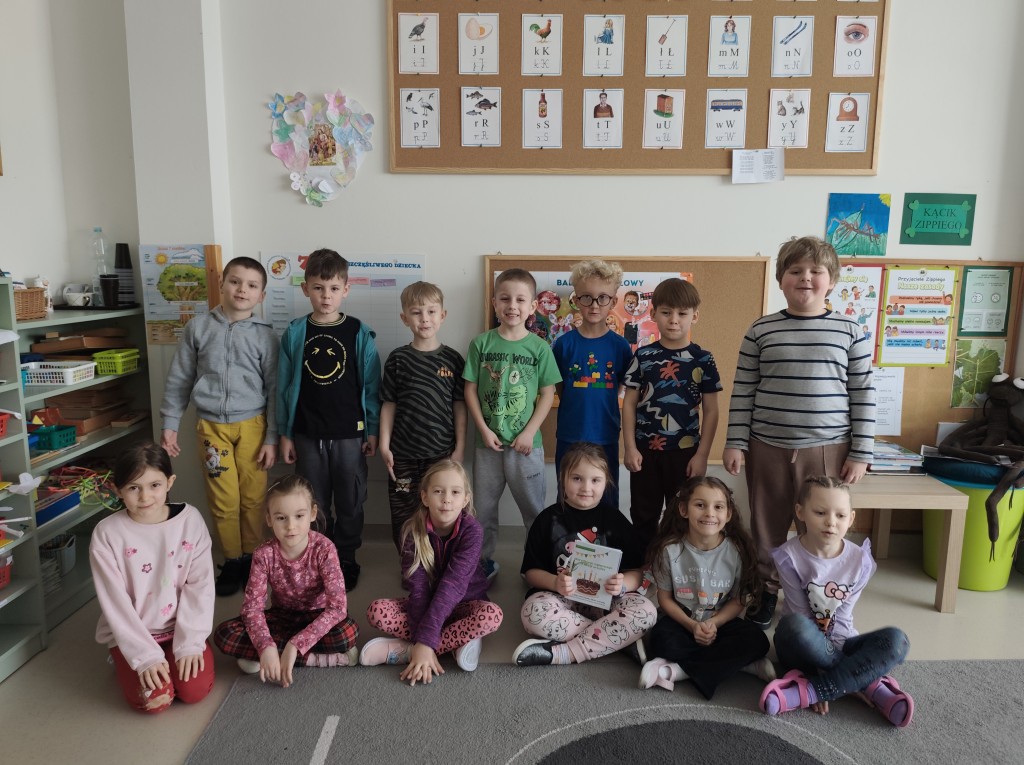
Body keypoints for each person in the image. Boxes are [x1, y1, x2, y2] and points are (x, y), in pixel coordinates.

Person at [723, 236, 875, 630]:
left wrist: (862, 451)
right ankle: (766, 589)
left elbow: (863, 392)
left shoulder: (850, 330)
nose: (805, 277)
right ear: (781, 280)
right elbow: (744, 390)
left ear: (831, 281)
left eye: (815, 271)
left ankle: (820, 592)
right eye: (795, 271)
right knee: (766, 523)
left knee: (822, 525)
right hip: (767, 445)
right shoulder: (761, 330)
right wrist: (735, 441)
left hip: (828, 448)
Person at [160, 256, 278, 596]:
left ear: (261, 296)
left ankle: (254, 559)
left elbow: (275, 390)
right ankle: (232, 560)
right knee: (223, 499)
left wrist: (272, 436)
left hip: (253, 426)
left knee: (253, 498)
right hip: (211, 428)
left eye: (252, 285)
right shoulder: (198, 328)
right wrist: (170, 422)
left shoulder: (266, 336)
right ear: (222, 283)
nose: (242, 290)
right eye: (235, 281)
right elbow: (180, 378)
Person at [760, 477, 914, 728]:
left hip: (840, 642)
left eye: (840, 516)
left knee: (898, 641)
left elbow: (842, 618)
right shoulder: (789, 557)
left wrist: (826, 678)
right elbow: (801, 615)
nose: (831, 522)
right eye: (820, 513)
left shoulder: (860, 560)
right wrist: (844, 669)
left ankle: (815, 690)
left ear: (851, 519)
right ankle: (867, 683)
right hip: (798, 644)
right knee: (795, 624)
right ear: (800, 512)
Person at [278, 248, 382, 590]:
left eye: (334, 288)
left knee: (351, 499)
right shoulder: (296, 332)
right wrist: (285, 433)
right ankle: (320, 557)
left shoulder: (358, 332)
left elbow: (371, 387)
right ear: (305, 288)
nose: (326, 296)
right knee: (313, 503)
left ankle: (346, 557)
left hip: (350, 435)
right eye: (319, 288)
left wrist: (372, 430)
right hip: (307, 434)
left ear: (345, 290)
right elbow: (283, 387)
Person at [89, 443, 215, 713]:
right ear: (117, 490)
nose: (145, 496)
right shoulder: (106, 534)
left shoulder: (190, 521)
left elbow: (200, 586)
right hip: (134, 633)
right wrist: (143, 657)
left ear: (170, 482)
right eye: (133, 488)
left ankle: (175, 654)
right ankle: (124, 658)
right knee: (155, 701)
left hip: (181, 627)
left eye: (155, 485)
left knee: (193, 691)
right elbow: (114, 602)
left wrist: (191, 644)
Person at [512, 443, 657, 667]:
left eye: (595, 480)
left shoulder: (615, 520)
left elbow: (637, 572)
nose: (586, 487)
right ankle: (617, 640)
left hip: (607, 600)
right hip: (561, 598)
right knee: (533, 614)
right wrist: (554, 582)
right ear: (562, 478)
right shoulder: (547, 519)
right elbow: (530, 572)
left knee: (647, 612)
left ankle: (564, 653)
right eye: (577, 478)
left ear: (606, 481)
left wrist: (622, 585)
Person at [361, 460, 503, 684]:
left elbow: (453, 586)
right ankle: (451, 644)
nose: (447, 499)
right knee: (377, 611)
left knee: (492, 616)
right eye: (438, 491)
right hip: (425, 605)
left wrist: (425, 642)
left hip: (464, 605)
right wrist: (425, 638)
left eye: (455, 492)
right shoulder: (412, 531)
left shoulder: (472, 531)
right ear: (425, 497)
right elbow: (418, 589)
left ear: (466, 499)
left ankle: (411, 651)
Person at [213, 474, 360, 687]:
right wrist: (266, 646)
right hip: (280, 617)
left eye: (299, 516)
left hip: (317, 616)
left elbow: (337, 608)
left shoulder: (324, 548)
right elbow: (252, 609)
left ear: (312, 514)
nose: (291, 526)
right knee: (225, 634)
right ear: (269, 519)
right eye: (281, 518)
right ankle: (304, 658)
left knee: (347, 634)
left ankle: (284, 657)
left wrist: (295, 645)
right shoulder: (263, 554)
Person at [464, 268, 561, 581]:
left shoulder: (539, 348)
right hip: (488, 446)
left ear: (532, 306)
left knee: (534, 511)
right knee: (482, 510)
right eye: (505, 298)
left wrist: (529, 432)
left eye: (520, 300)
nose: (512, 305)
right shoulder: (481, 344)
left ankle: (536, 565)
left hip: (526, 447)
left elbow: (548, 394)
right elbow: (470, 390)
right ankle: (481, 564)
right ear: (494, 303)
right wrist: (484, 429)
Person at [639, 476, 774, 698]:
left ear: (728, 514)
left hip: (720, 623)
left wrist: (713, 623)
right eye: (700, 505)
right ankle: (743, 665)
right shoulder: (669, 550)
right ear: (684, 510)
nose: (710, 513)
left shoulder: (737, 551)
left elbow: (737, 600)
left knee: (757, 641)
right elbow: (665, 599)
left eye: (718, 507)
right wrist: (693, 626)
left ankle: (678, 671)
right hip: (682, 623)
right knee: (660, 641)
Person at [623, 277, 721, 550]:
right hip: (645, 451)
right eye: (666, 312)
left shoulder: (703, 359)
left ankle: (676, 565)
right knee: (643, 514)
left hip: (686, 453)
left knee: (682, 515)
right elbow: (629, 404)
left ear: (695, 316)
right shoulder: (643, 356)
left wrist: (702, 455)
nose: (674, 320)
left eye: (682, 313)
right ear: (653, 314)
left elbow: (712, 410)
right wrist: (629, 448)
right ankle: (643, 565)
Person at [378, 282, 467, 551]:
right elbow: (389, 404)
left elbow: (459, 406)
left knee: (442, 510)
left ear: (443, 315)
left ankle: (437, 559)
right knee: (404, 511)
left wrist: (460, 447)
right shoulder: (397, 359)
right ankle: (410, 561)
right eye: (416, 312)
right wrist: (384, 445)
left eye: (431, 311)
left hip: (441, 454)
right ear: (405, 318)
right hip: (402, 455)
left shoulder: (453, 359)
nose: (424, 319)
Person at [551, 258, 632, 507]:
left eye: (602, 298)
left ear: (613, 302)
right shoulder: (563, 345)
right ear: (576, 300)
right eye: (587, 297)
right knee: (568, 496)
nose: (594, 305)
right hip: (570, 435)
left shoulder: (620, 346)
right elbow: (560, 388)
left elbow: (621, 386)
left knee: (605, 497)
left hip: (605, 434)